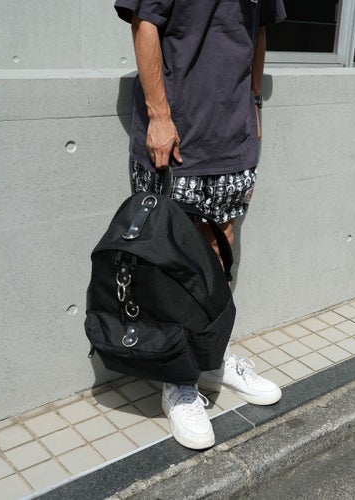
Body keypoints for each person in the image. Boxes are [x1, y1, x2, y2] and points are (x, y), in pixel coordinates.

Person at [114, 0, 286, 450]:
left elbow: (258, 30)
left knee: (219, 251)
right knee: (169, 260)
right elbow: (145, 22)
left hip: (233, 137)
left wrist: (254, 102)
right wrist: (158, 115)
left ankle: (210, 357)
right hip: (175, 139)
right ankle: (176, 377)